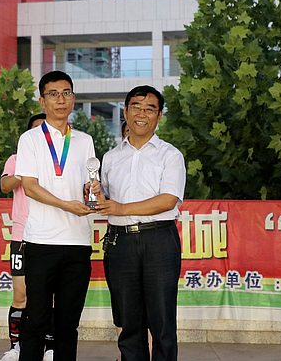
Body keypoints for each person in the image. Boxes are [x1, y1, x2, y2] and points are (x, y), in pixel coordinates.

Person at [92, 86, 185, 361]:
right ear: (126, 111)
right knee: (129, 322)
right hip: (120, 242)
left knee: (162, 322)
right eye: (136, 107)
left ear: (159, 116)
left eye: (150, 109)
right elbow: (106, 199)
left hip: (159, 241)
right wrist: (96, 195)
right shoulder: (110, 157)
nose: (142, 114)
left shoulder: (170, 155)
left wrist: (121, 208)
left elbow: (168, 200)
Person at [15, 70, 95, 361]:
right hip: (41, 242)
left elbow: (87, 184)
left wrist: (93, 189)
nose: (61, 100)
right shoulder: (30, 139)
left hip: (78, 243)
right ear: (43, 101)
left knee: (68, 325)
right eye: (53, 94)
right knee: (36, 320)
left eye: (66, 93)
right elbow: (30, 186)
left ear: (73, 99)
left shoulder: (85, 140)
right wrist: (66, 205)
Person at [0, 113, 48, 361]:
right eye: (36, 130)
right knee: (21, 295)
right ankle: (16, 347)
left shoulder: (58, 162)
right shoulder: (16, 159)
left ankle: (50, 348)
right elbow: (5, 186)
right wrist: (25, 170)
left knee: (50, 296)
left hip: (51, 236)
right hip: (22, 237)